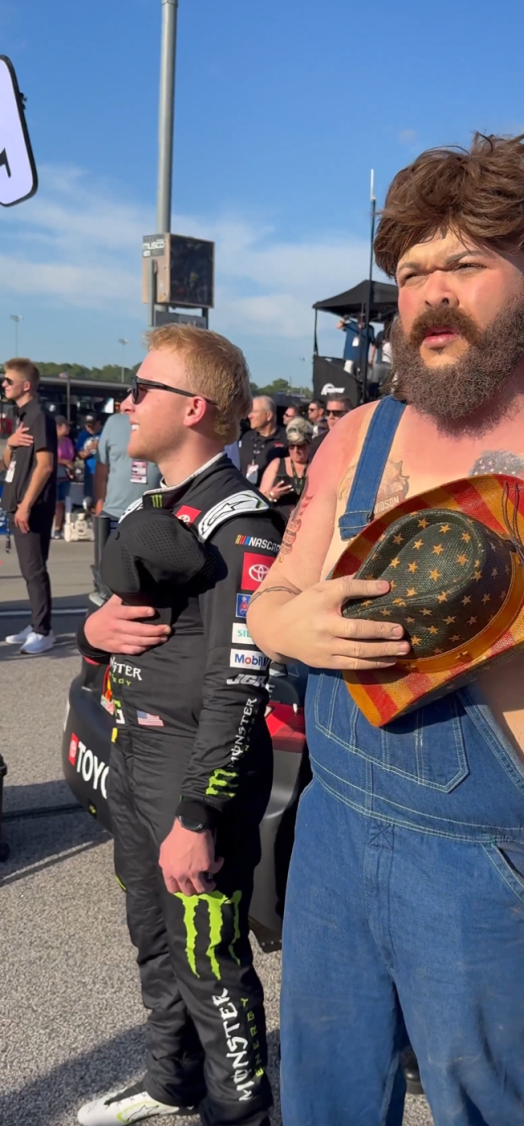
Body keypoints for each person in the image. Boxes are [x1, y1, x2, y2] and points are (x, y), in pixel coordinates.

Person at [247, 133, 524, 1126]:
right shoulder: (355, 438)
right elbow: (270, 601)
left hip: (484, 864)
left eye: (461, 263)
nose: (431, 294)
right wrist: (298, 624)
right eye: (411, 273)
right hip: (334, 825)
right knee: (321, 1101)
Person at [75, 324, 279, 1126]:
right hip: (135, 754)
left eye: (139, 389)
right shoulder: (163, 504)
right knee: (152, 941)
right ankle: (171, 1083)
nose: (124, 403)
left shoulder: (240, 520)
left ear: (192, 407)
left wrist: (200, 811)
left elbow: (242, 679)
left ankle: (242, 1113)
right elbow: (115, 620)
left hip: (198, 769)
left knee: (210, 965)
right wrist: (92, 636)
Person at [1, 358, 57, 655]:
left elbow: (45, 466)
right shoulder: (23, 417)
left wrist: (25, 505)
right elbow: (6, 464)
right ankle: (35, 623)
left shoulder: (39, 416)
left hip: (31, 507)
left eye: (8, 380)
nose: (3, 385)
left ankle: (43, 630)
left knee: (35, 571)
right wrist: (9, 444)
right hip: (17, 503)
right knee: (28, 570)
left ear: (26, 385)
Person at [94, 409, 161, 521]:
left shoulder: (165, 421)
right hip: (113, 513)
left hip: (153, 516)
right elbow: (101, 469)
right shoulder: (114, 422)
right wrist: (99, 504)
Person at [259, 417, 311, 518]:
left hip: (305, 523)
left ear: (309, 444)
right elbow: (260, 498)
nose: (296, 451)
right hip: (278, 521)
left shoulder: (315, 466)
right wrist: (272, 494)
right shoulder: (277, 464)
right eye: (292, 446)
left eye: (300, 446)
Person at [237, 396, 286, 487]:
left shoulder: (286, 440)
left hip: (270, 497)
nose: (249, 416)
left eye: (254, 412)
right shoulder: (247, 437)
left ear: (268, 415)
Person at [308, 395, 353, 460]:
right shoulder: (317, 443)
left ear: (349, 413)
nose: (331, 417)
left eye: (337, 413)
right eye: (328, 412)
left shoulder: (359, 441)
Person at [53, 415, 75, 538]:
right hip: (53, 477)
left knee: (61, 503)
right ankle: (49, 528)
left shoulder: (68, 441)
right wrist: (65, 462)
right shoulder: (50, 440)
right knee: (52, 504)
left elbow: (71, 456)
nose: (69, 428)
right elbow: (51, 456)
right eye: (67, 425)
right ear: (59, 426)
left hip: (65, 477)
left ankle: (58, 528)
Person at [76, 412, 102, 507]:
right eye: (88, 426)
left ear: (99, 423)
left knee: (103, 500)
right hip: (89, 472)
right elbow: (80, 455)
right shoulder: (83, 435)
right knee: (89, 500)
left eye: (92, 425)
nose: (90, 428)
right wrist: (89, 450)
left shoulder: (106, 434)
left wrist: (100, 447)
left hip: (105, 472)